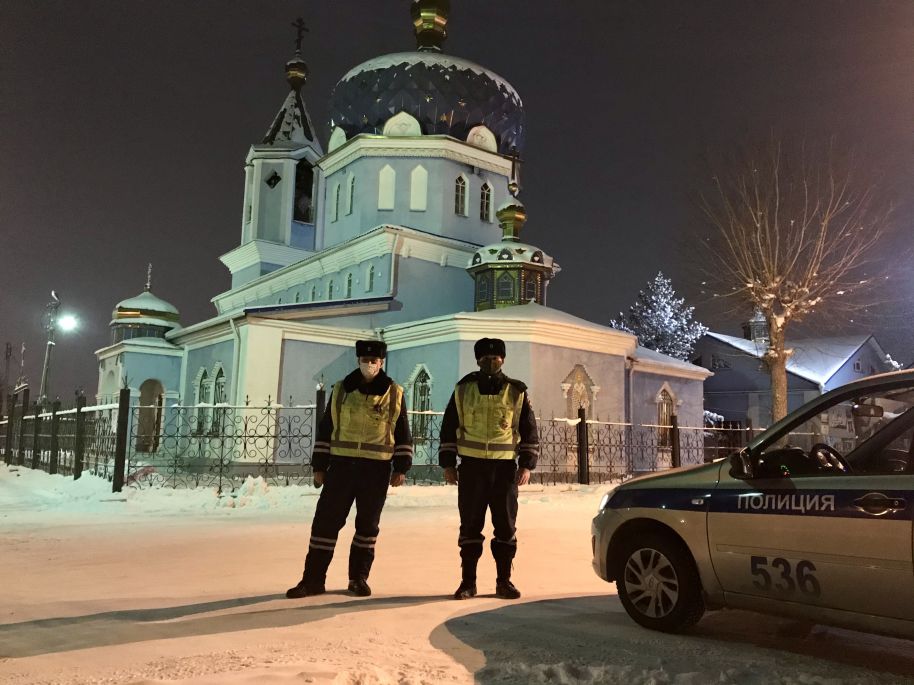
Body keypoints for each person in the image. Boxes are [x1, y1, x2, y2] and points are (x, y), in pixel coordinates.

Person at [286, 340, 412, 599]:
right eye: (365, 360)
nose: (369, 365)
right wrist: (319, 466)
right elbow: (326, 427)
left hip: (375, 470)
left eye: (374, 361)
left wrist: (401, 467)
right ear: (358, 361)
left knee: (367, 527)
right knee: (325, 524)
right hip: (341, 468)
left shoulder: (394, 392)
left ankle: (358, 579)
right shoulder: (342, 390)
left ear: (381, 362)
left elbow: (402, 432)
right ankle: (312, 580)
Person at [438, 337, 539, 600]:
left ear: (503, 359)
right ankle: (467, 583)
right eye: (485, 358)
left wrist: (527, 466)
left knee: (505, 526)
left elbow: (529, 431)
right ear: (477, 360)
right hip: (471, 469)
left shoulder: (516, 392)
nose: (490, 362)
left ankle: (504, 581)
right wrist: (448, 464)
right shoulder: (463, 390)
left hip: (505, 471)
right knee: (470, 526)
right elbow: (449, 427)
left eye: (495, 358)